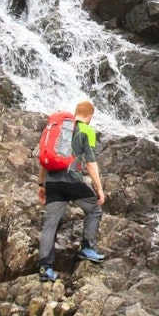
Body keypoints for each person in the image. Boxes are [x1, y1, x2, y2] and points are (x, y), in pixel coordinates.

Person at [37, 99, 107, 281]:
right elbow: (90, 162)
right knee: (94, 209)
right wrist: (99, 189)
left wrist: (41, 185)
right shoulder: (86, 130)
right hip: (72, 180)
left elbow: (44, 159)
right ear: (90, 117)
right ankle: (87, 248)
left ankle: (45, 268)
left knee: (50, 224)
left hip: (52, 182)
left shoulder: (59, 129)